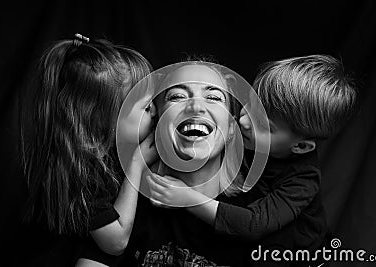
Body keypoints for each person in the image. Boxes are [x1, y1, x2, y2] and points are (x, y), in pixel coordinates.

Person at [148, 55, 359, 266]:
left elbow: (253, 224)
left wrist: (187, 198)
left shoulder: (303, 180)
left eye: (262, 124)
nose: (243, 121)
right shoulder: (249, 144)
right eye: (250, 105)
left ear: (301, 147)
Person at [76, 61, 251, 267]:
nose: (195, 106)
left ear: (232, 128)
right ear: (156, 124)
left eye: (213, 97)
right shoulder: (125, 207)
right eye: (177, 96)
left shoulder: (259, 213)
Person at [20, 33, 157, 259]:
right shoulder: (79, 170)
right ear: (107, 119)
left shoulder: (111, 148)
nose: (155, 113)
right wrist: (137, 165)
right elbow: (116, 242)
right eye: (146, 108)